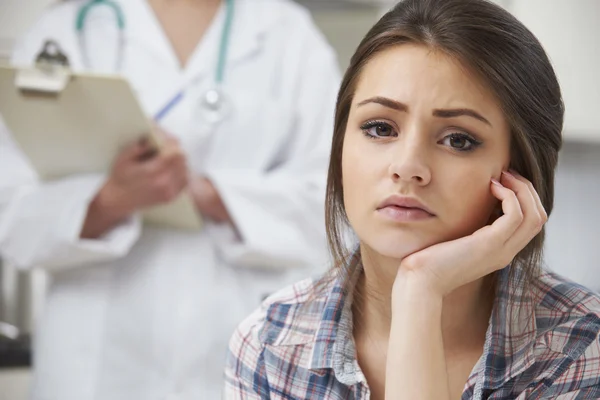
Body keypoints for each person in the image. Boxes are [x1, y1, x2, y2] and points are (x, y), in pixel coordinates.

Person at [224, 0, 600, 398]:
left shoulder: (574, 346)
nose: (408, 166)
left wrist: (421, 289)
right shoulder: (271, 344)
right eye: (380, 128)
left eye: (458, 140)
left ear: (519, 172)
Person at [0, 0, 340, 399]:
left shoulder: (288, 36)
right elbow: (11, 215)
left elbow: (336, 206)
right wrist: (109, 201)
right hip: (92, 365)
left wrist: (207, 194)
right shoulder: (68, 30)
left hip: (238, 346)